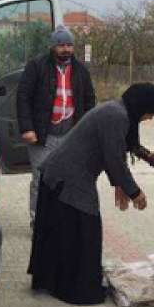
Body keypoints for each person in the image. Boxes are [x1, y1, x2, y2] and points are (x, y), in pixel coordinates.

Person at [27, 83, 154, 305]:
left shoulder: (118, 111)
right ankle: (75, 288)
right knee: (85, 231)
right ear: (142, 106)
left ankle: (55, 282)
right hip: (67, 178)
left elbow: (113, 151)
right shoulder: (116, 115)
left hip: (64, 175)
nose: (149, 119)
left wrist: (118, 184)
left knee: (73, 232)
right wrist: (134, 192)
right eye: (150, 113)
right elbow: (114, 159)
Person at [16, 26, 96, 225]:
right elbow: (23, 97)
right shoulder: (36, 66)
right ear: (53, 46)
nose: (66, 49)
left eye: (69, 45)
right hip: (43, 135)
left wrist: (85, 131)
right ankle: (38, 218)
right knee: (42, 177)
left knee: (67, 177)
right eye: (61, 45)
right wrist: (27, 128)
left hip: (71, 134)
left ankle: (61, 218)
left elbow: (89, 101)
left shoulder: (81, 70)